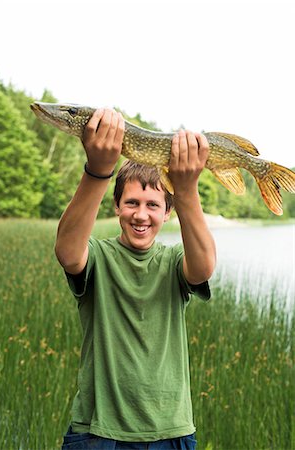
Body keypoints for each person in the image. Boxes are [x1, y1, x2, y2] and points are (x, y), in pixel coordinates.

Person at [55, 108, 216, 450]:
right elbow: (68, 253)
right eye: (131, 202)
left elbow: (202, 269)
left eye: (153, 205)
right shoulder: (98, 256)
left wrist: (186, 190)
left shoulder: (174, 261)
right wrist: (98, 171)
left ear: (167, 212)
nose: (141, 214)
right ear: (116, 206)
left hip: (171, 431)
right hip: (98, 432)